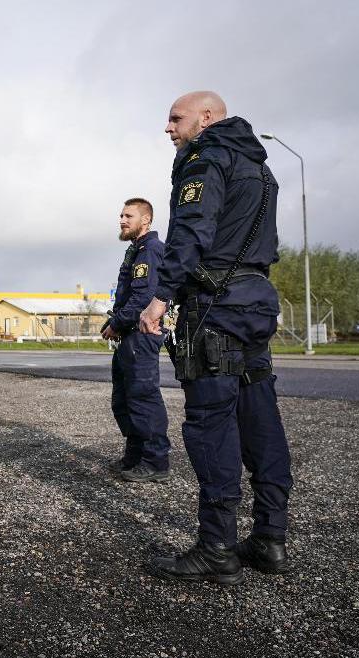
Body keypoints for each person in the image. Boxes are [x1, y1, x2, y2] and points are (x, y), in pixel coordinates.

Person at [139, 92, 293, 585]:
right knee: (260, 416)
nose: (168, 128)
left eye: (175, 118)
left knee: (211, 424)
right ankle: (269, 537)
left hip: (216, 307)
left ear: (206, 118)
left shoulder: (206, 160)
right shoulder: (261, 168)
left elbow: (191, 233)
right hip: (255, 301)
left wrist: (161, 297)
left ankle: (217, 548)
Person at [102, 198, 171, 482]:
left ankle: (156, 462)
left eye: (128, 216)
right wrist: (114, 321)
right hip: (128, 334)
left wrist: (116, 324)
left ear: (146, 220)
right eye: (121, 215)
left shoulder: (151, 250)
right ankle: (135, 455)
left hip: (140, 334)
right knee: (124, 399)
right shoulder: (136, 250)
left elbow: (144, 298)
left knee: (143, 397)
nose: (122, 220)